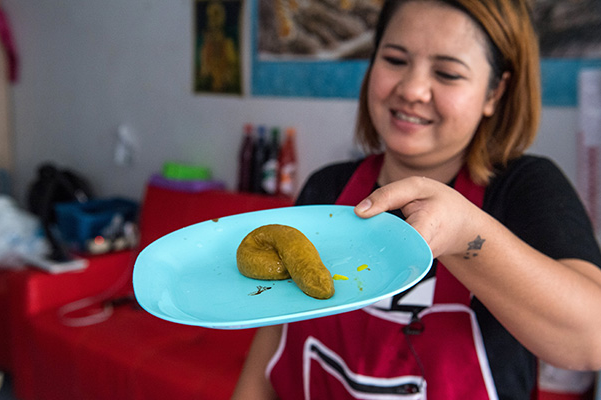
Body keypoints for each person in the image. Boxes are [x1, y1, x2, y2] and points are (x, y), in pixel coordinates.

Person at [231, 0, 601, 399]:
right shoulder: (326, 189)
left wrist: (464, 234)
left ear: (496, 92)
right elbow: (271, 348)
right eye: (394, 60)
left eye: (446, 73)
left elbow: (591, 340)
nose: (411, 90)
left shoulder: (524, 188)